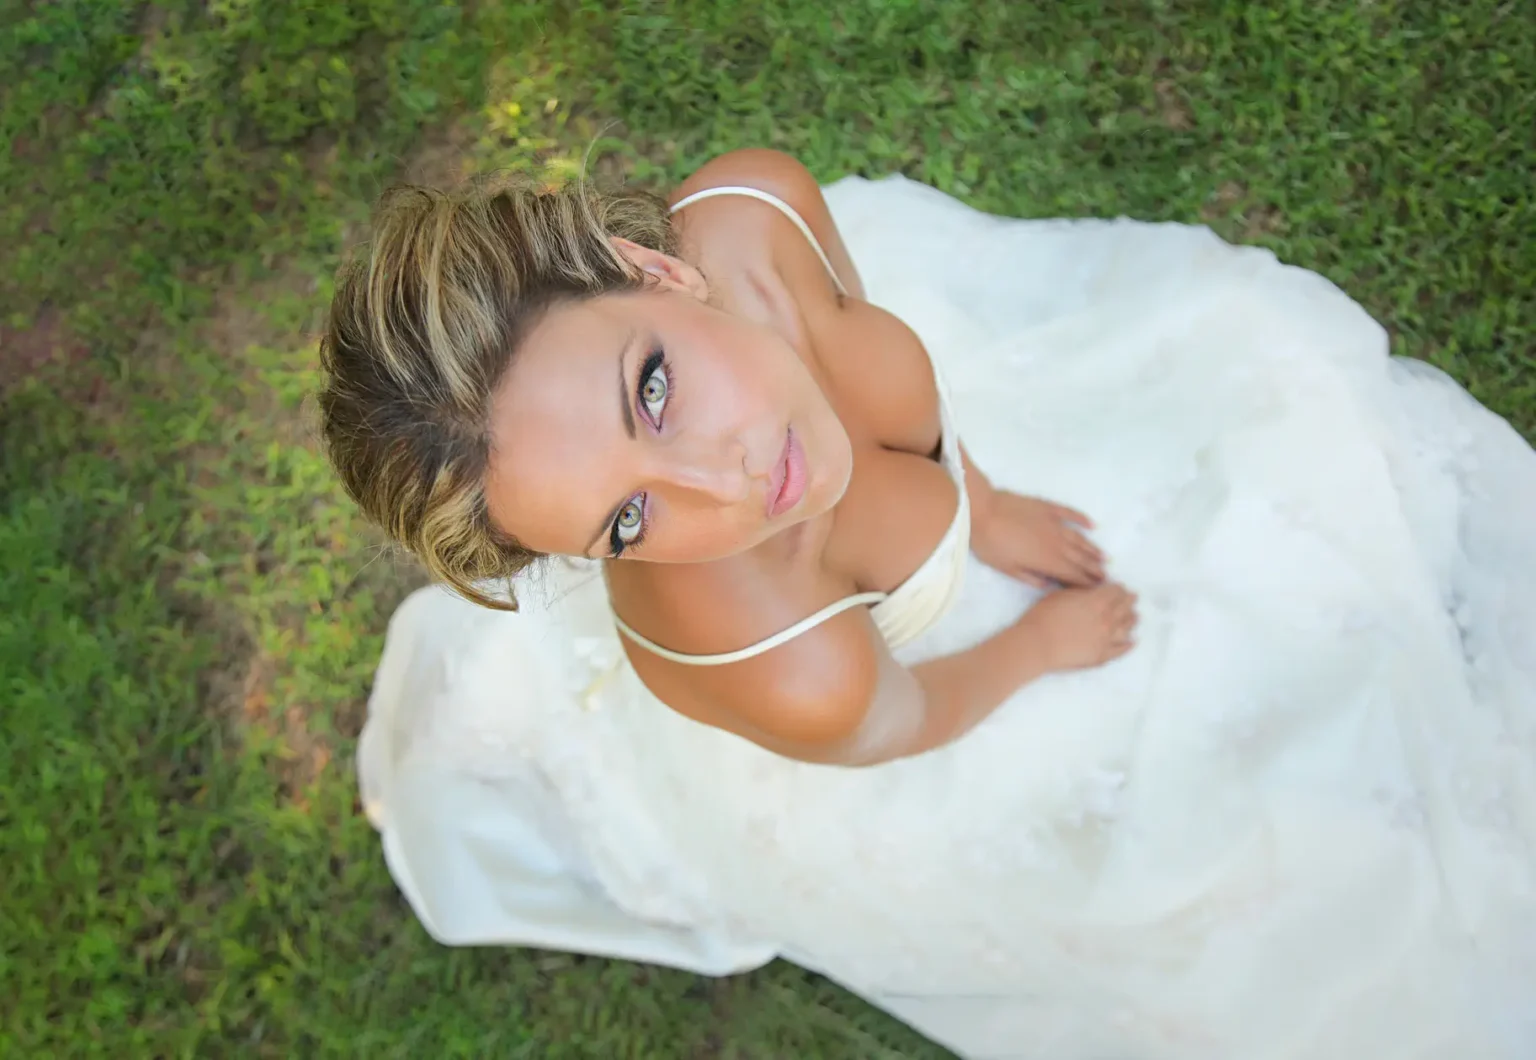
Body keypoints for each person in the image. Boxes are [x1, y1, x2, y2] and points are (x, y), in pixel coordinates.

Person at [319, 149, 1536, 1059]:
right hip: (884, 698)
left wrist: (986, 510)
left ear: (653, 269)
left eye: (653, 390)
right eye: (627, 519)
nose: (721, 482)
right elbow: (902, 722)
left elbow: (903, 401)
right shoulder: (789, 661)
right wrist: (1034, 643)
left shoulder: (755, 212)